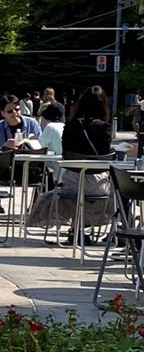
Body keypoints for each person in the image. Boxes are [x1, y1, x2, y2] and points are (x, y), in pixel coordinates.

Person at [56, 85, 115, 241]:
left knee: (77, 189)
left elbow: (65, 153)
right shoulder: (104, 127)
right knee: (122, 191)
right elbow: (104, 155)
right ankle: (119, 229)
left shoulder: (70, 125)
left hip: (71, 182)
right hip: (97, 184)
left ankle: (75, 228)